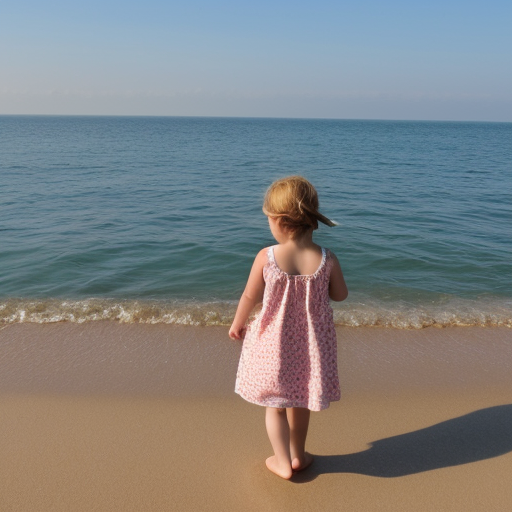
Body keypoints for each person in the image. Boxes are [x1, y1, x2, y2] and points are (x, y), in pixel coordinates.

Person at [229, 176, 348, 479]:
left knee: (275, 405)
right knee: (301, 402)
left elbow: (249, 295)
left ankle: (281, 461)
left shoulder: (267, 256)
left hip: (272, 344)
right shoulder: (326, 258)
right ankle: (298, 456)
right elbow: (340, 295)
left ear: (281, 221)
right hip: (310, 347)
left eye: (269, 219)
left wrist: (238, 323)